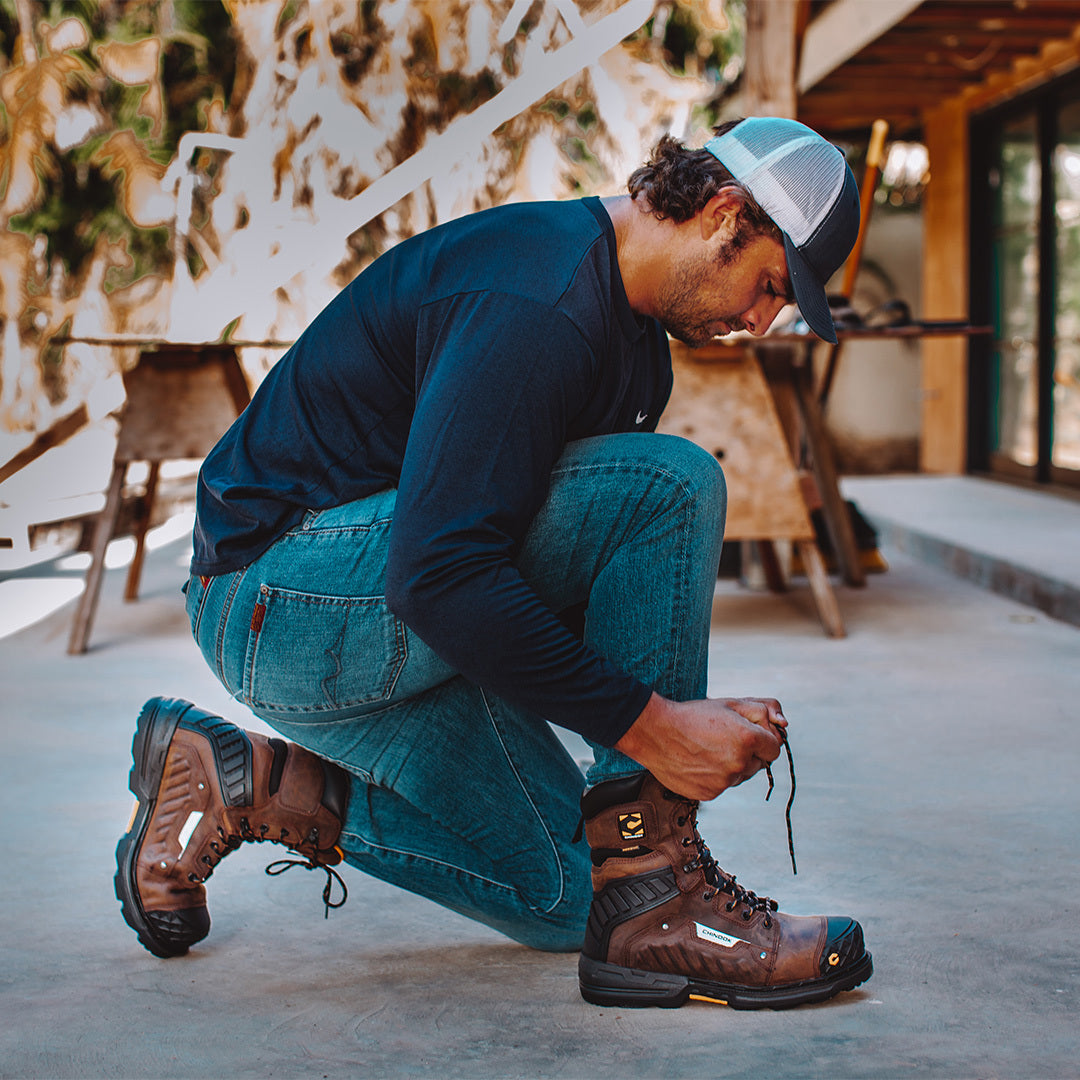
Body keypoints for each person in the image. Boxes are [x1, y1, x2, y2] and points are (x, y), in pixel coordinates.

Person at [114, 116, 873, 1009]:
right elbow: (439, 574)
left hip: (365, 614)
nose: (759, 320)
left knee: (569, 896)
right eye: (770, 285)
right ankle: (660, 898)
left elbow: (526, 564)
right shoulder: (538, 299)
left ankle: (247, 782)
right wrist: (652, 727)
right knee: (669, 486)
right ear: (725, 214)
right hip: (280, 595)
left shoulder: (637, 352)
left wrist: (657, 725)